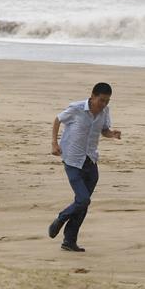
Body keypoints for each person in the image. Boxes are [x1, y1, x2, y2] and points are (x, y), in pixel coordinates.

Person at [47, 82, 122, 252]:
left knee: (82, 204)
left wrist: (112, 134)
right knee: (83, 200)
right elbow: (57, 120)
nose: (104, 104)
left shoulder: (105, 112)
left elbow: (104, 130)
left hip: (91, 160)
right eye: (101, 100)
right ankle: (61, 218)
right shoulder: (76, 108)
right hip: (72, 160)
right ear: (93, 96)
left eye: (107, 101)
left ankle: (69, 241)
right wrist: (54, 143)